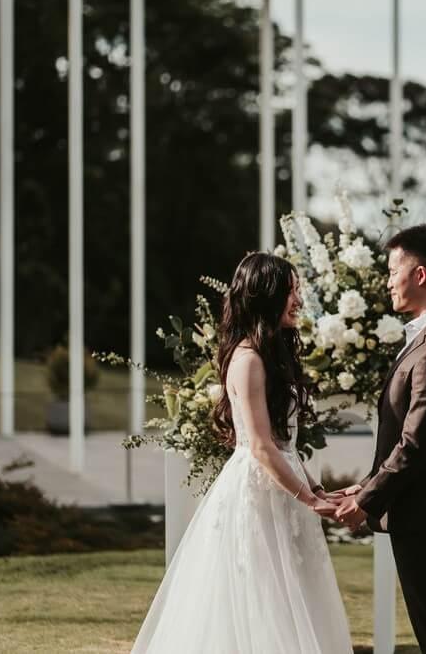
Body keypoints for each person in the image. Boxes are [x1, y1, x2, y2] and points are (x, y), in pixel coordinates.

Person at [131, 252, 354, 654]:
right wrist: (306, 498)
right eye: (290, 292)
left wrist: (315, 489)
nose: (298, 301)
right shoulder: (248, 360)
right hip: (257, 495)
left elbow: (283, 443)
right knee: (260, 594)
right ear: (266, 296)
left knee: (292, 596)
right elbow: (260, 447)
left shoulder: (271, 357)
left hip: (283, 491)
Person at [332, 224, 426, 654]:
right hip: (417, 506)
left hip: (423, 508)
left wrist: (366, 501)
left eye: (394, 269)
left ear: (421, 274)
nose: (388, 280)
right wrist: (367, 485)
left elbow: (415, 445)